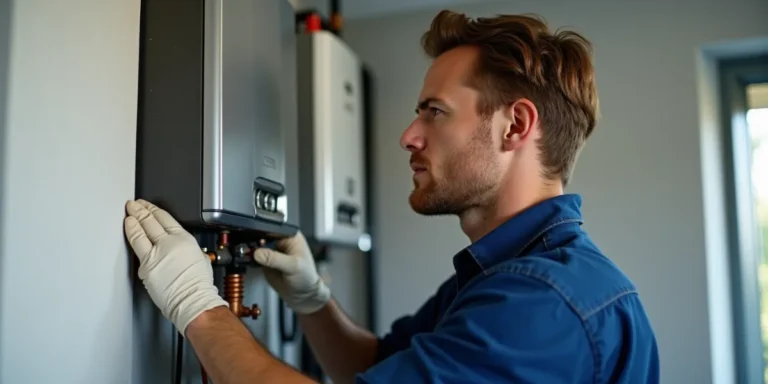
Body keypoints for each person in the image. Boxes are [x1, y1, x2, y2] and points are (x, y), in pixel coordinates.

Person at [124, 9, 659, 384]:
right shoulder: (506, 274)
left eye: (435, 111)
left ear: (514, 125)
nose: (409, 135)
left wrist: (198, 307)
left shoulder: (542, 302)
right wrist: (314, 301)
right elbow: (376, 363)